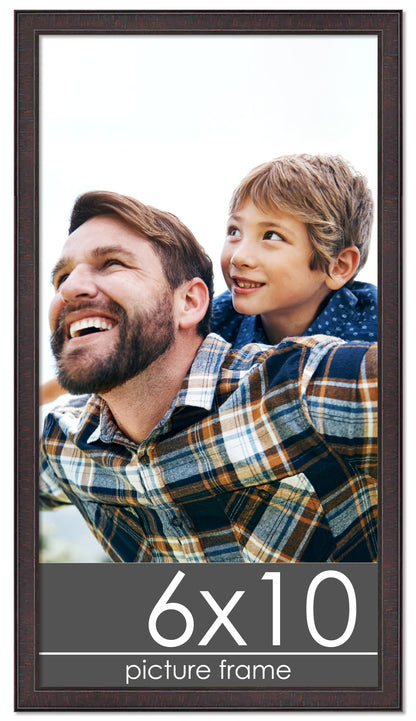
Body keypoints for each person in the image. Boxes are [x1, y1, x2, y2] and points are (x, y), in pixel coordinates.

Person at [40, 190, 377, 563]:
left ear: (189, 303)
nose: (69, 288)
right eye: (63, 276)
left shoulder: (298, 388)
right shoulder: (64, 442)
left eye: (113, 263)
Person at [211, 153, 377, 347]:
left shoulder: (382, 335)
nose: (238, 257)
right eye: (235, 231)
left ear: (338, 266)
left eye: (271, 235)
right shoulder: (210, 324)